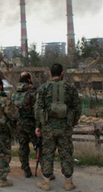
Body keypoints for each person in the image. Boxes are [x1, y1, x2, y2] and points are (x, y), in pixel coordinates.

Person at [35, 63, 81, 191]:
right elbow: (77, 108)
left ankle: (46, 183)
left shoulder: (43, 88)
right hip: (65, 127)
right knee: (66, 154)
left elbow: (38, 109)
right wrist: (72, 122)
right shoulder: (70, 88)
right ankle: (68, 183)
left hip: (48, 128)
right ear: (62, 74)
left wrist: (38, 126)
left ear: (50, 74)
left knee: (47, 154)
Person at [12, 72, 37, 178]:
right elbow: (37, 109)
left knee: (23, 147)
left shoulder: (15, 93)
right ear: (29, 79)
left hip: (19, 123)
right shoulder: (32, 92)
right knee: (39, 146)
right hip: (31, 124)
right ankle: (47, 170)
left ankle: (26, 169)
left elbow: (12, 109)